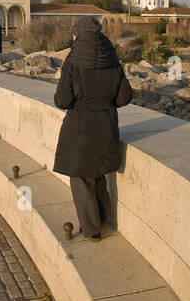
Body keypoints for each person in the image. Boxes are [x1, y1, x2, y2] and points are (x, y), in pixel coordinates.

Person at [53, 16, 133, 241]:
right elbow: (125, 96)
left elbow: (62, 100)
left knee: (81, 178)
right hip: (106, 125)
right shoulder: (112, 59)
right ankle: (107, 220)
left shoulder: (73, 60)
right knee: (98, 176)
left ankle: (92, 230)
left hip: (80, 127)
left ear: (76, 35)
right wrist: (106, 104)